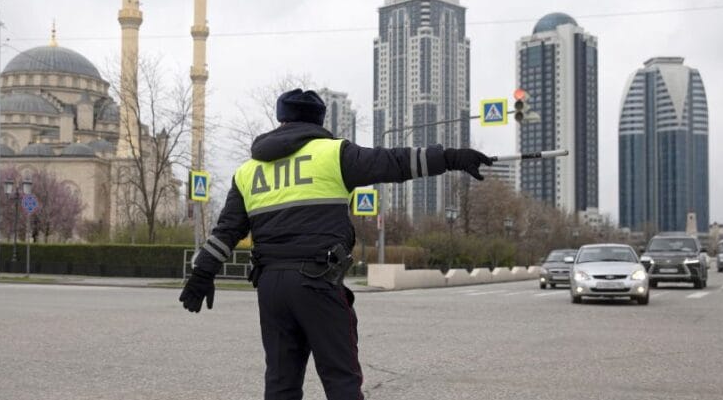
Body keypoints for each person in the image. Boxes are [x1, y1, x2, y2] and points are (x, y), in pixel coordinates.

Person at [180, 88, 492, 400]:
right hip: (317, 281)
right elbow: (394, 163)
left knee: (280, 384)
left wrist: (201, 274)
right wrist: (450, 157)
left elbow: (225, 232)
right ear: (318, 120)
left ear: (281, 118)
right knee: (341, 379)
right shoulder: (333, 153)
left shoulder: (248, 171)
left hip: (271, 287)